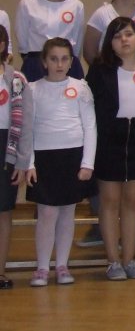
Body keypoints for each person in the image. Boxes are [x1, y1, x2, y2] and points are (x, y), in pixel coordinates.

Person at [80, 0, 135, 247]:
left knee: (133, 197)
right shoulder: (102, 14)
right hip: (110, 121)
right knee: (108, 196)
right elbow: (90, 51)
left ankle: (130, 245)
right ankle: (107, 243)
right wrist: (112, 74)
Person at [87, 17, 135, 281]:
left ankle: (129, 260)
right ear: (110, 42)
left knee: (133, 202)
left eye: (129, 34)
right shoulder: (99, 70)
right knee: (109, 202)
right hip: (109, 140)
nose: (124, 40)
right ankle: (113, 262)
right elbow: (88, 107)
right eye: (117, 36)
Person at [20, 38, 96, 286]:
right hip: (44, 157)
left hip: (72, 156)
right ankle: (42, 267)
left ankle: (62, 265)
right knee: (47, 212)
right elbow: (27, 130)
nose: (59, 64)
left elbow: (90, 127)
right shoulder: (32, 89)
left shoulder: (81, 87)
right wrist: (29, 164)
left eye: (64, 59)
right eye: (54, 59)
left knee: (66, 212)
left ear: (71, 61)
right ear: (44, 62)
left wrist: (87, 163)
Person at [15, 0, 85, 81]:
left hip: (66, 64)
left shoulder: (76, 6)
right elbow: (23, 42)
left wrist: (65, 59)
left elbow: (77, 41)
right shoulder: (27, 4)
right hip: (36, 63)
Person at [0, 26, 29, 289]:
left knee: (4, 212)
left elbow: (26, 124)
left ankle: (0, 271)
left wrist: (22, 161)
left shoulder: (16, 78)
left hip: (6, 149)